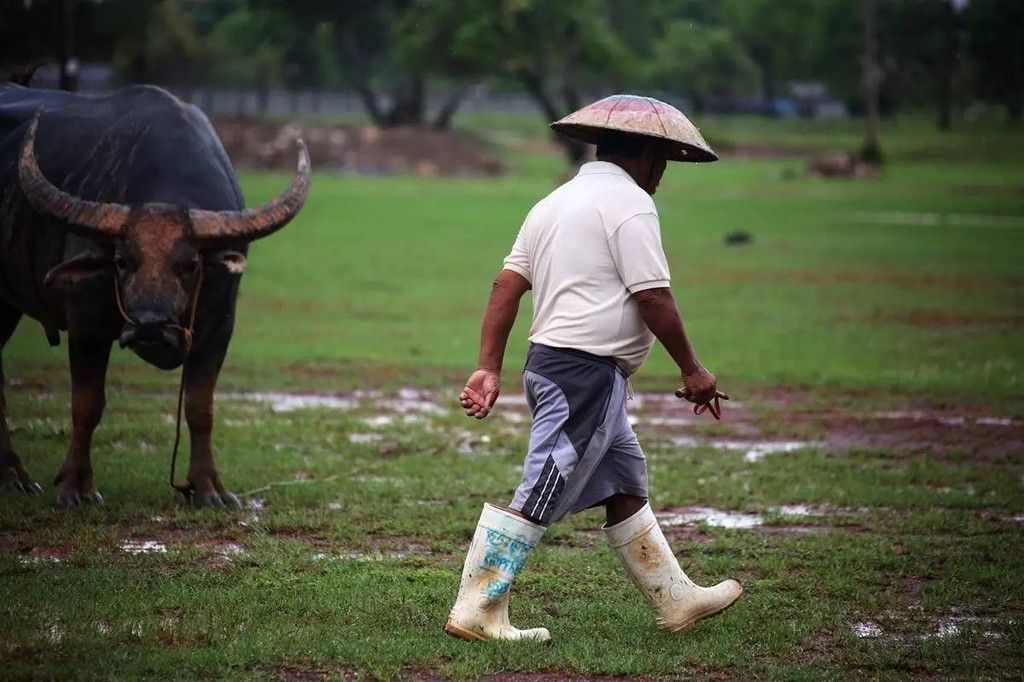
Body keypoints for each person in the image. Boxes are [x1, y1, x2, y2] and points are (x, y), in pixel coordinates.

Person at [445, 95, 741, 643]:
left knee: (625, 478)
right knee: (542, 487)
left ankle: (675, 598)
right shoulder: (630, 204)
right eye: (664, 163)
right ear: (649, 156)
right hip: (584, 375)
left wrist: (489, 367)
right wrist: (693, 370)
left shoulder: (553, 202)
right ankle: (477, 609)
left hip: (555, 367)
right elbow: (653, 297)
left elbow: (506, 286)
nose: (662, 176)